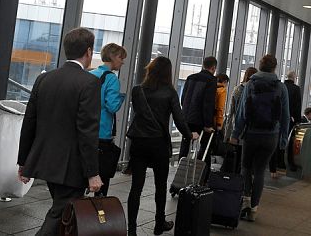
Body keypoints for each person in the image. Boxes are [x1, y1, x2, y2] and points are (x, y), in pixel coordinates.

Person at [17, 28, 103, 236]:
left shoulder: (44, 79)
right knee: (59, 215)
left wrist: (24, 161)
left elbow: (29, 122)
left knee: (64, 214)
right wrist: (92, 173)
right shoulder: (89, 82)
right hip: (71, 166)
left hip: (46, 161)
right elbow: (87, 131)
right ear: (88, 51)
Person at [126, 57, 197, 236]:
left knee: (136, 187)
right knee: (160, 185)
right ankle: (159, 224)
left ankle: (132, 229)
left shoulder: (137, 90)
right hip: (158, 143)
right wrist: (190, 134)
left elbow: (139, 115)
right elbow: (179, 119)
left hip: (139, 142)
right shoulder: (170, 92)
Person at [231, 55, 289, 223]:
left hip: (251, 134)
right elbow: (285, 116)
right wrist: (283, 139)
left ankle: (246, 201)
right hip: (271, 135)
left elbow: (242, 112)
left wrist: (235, 134)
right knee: (260, 171)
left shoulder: (250, 84)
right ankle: (254, 209)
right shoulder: (281, 87)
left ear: (260, 66)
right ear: (274, 68)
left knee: (246, 168)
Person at [89, 43, 127, 196]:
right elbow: (112, 106)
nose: (122, 62)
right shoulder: (111, 79)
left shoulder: (91, 74)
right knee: (102, 178)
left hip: (86, 130)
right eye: (120, 57)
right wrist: (122, 97)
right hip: (102, 132)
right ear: (112, 56)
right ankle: (98, 207)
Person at [175, 56, 218, 164]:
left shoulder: (190, 78)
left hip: (186, 116)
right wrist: (208, 124)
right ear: (213, 68)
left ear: (203, 65)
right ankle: (202, 172)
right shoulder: (211, 80)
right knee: (204, 146)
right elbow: (208, 103)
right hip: (200, 119)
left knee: (185, 144)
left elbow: (183, 98)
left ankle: (181, 167)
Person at [222, 67, 257, 174]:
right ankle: (242, 179)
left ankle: (233, 177)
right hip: (249, 130)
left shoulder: (237, 89)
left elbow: (231, 112)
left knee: (234, 157)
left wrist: (227, 134)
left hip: (236, 128)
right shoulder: (255, 91)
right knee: (246, 160)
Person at [269, 71, 302, 178]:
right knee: (287, 140)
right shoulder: (296, 89)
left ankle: (274, 163)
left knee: (275, 140)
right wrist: (297, 120)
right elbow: (297, 106)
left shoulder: (281, 86)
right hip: (289, 119)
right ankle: (284, 163)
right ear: (294, 78)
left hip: (276, 118)